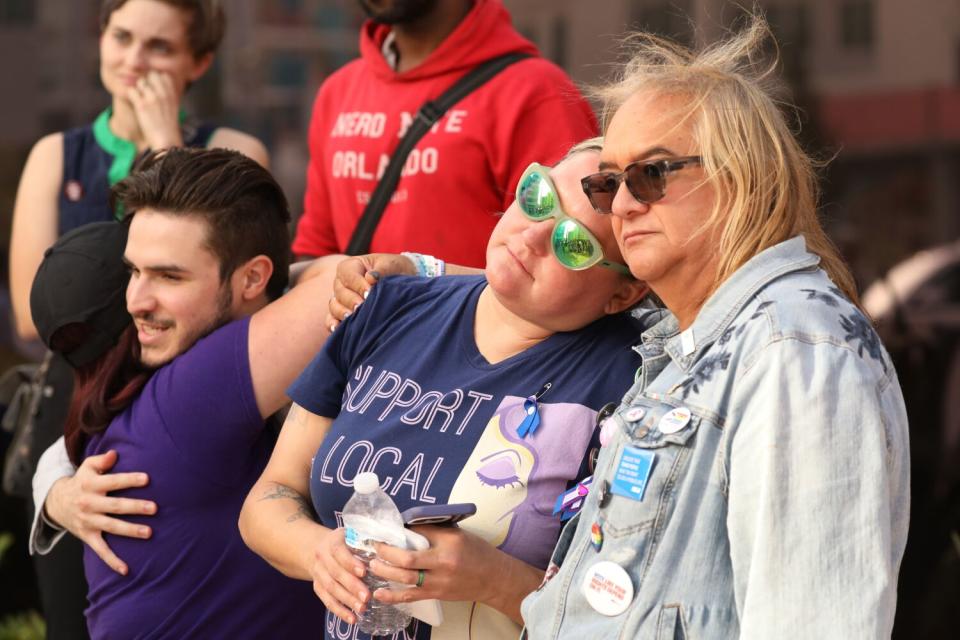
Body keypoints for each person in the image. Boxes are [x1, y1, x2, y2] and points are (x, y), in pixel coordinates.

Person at [520, 18, 910, 638]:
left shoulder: (794, 348)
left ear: (740, 177)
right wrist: (412, 268)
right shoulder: (698, 339)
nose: (622, 205)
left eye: (651, 174)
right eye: (606, 184)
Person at [238, 140, 650, 640]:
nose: (532, 234)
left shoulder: (636, 380)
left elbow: (633, 614)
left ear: (622, 293)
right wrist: (319, 552)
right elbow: (271, 495)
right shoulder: (387, 306)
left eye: (574, 242)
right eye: (538, 198)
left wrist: (496, 581)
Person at [8, 3, 266, 635]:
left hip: (193, 408)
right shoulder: (57, 154)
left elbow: (251, 297)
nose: (134, 60)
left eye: (160, 48)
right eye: (122, 37)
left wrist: (164, 148)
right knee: (76, 611)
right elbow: (27, 312)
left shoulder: (233, 151)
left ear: (197, 63)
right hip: (77, 407)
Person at [28, 147, 331, 638]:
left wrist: (55, 494)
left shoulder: (112, 421)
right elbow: (353, 281)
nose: (137, 301)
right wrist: (284, 286)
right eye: (133, 272)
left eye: (168, 275)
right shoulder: (189, 396)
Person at [292, 0, 598, 265]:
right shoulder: (338, 92)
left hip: (481, 332)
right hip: (359, 331)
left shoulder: (536, 94)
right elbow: (317, 252)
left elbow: (564, 264)